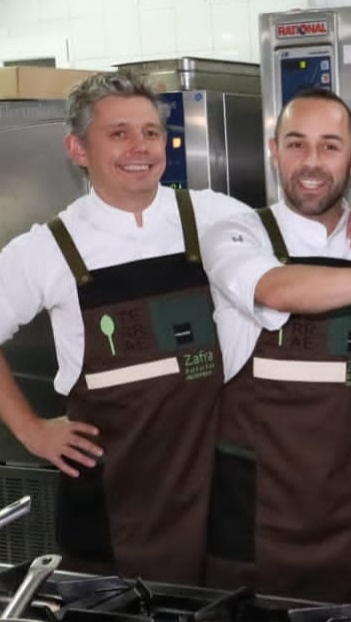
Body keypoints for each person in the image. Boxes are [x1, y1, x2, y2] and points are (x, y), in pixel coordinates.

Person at [201, 88, 351, 605]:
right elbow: (277, 289)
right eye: (296, 144)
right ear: (274, 151)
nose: (311, 163)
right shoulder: (237, 232)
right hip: (256, 512)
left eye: (330, 147)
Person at [0, 71, 248, 583]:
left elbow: (299, 248)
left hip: (214, 486)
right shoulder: (48, 248)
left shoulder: (214, 216)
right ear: (78, 148)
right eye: (119, 133)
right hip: (114, 500)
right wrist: (31, 430)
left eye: (152, 132)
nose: (141, 148)